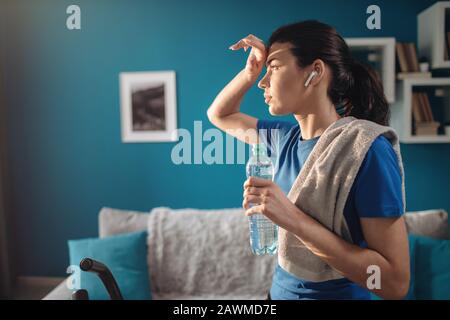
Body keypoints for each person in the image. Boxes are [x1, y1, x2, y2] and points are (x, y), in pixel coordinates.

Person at [207, 20, 409, 300]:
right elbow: (220, 115)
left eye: (274, 67)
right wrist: (250, 72)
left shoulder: (365, 149)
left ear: (314, 72)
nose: (263, 83)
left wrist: (293, 220)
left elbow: (393, 284)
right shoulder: (282, 139)